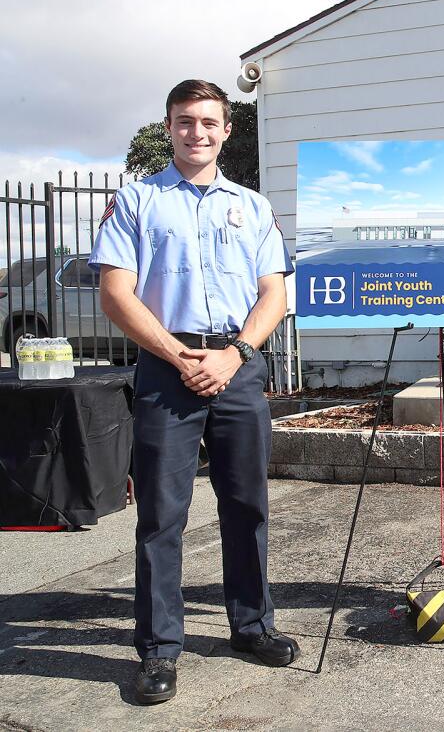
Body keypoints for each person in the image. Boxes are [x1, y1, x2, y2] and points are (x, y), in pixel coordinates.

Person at [90, 80, 297, 704]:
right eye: (185, 122)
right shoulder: (135, 201)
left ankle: (251, 625)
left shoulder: (253, 206)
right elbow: (116, 294)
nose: (197, 133)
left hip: (237, 365)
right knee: (161, 515)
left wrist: (234, 355)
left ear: (226, 130)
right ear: (169, 127)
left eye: (209, 122)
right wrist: (180, 357)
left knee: (247, 506)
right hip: (166, 367)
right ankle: (158, 650)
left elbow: (274, 295)